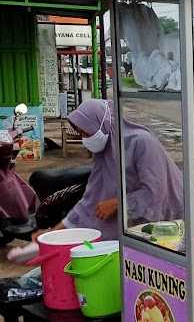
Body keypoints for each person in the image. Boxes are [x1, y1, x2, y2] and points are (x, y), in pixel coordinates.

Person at [45, 98, 183, 239]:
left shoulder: (142, 142)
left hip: (177, 222)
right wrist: (54, 234)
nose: (84, 140)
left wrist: (118, 202)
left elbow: (155, 194)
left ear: (102, 124)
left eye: (87, 133)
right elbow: (90, 202)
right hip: (145, 228)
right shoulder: (105, 153)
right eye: (81, 134)